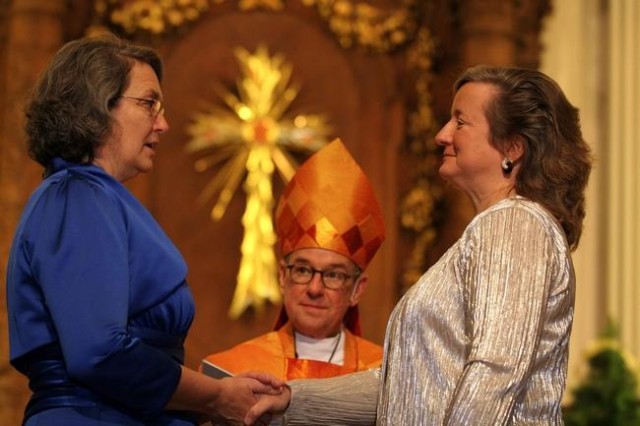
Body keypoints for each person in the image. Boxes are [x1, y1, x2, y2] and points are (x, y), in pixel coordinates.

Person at [244, 65, 593, 425]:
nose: (442, 135)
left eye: (460, 122)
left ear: (512, 147)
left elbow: (496, 373)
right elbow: (404, 387)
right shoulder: (498, 228)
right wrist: (293, 399)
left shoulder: (515, 224)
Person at [5, 34, 282, 425]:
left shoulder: (97, 198)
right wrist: (215, 396)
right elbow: (100, 353)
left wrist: (218, 394)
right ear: (98, 106)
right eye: (149, 103)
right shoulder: (78, 197)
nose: (163, 124)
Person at [202, 138, 385, 381]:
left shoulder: (384, 375)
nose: (314, 288)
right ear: (282, 276)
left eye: (333, 275)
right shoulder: (233, 370)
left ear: (357, 290)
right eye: (302, 270)